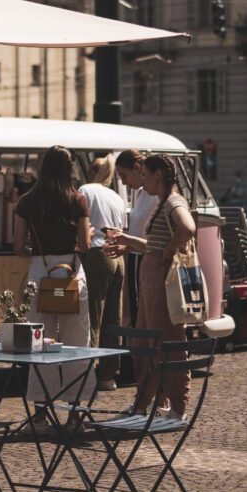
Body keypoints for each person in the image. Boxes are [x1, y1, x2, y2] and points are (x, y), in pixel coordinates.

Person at [105, 153, 196, 420]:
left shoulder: (173, 201)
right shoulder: (161, 202)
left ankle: (178, 405)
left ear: (158, 174)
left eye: (146, 175)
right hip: (150, 284)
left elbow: (187, 228)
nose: (142, 181)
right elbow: (152, 246)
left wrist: (169, 250)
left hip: (162, 285)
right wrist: (127, 242)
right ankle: (146, 402)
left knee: (169, 342)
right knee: (145, 342)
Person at [13, 145, 91, 407]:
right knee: (77, 342)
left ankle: (41, 408)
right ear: (70, 169)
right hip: (71, 273)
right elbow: (86, 244)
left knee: (39, 342)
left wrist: (38, 255)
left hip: (40, 272)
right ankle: (76, 407)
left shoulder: (27, 201)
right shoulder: (77, 199)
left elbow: (17, 247)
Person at [79, 154, 126, 390]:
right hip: (118, 257)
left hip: (97, 254)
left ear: (90, 172)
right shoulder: (116, 196)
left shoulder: (85, 190)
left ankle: (88, 371)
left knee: (93, 316)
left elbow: (81, 224)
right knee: (113, 317)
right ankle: (109, 375)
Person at [115, 148, 160, 324]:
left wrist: (126, 240)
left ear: (136, 168)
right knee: (137, 310)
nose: (124, 183)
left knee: (143, 310)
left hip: (144, 258)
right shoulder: (141, 193)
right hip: (136, 258)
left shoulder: (154, 196)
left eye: (124, 176)